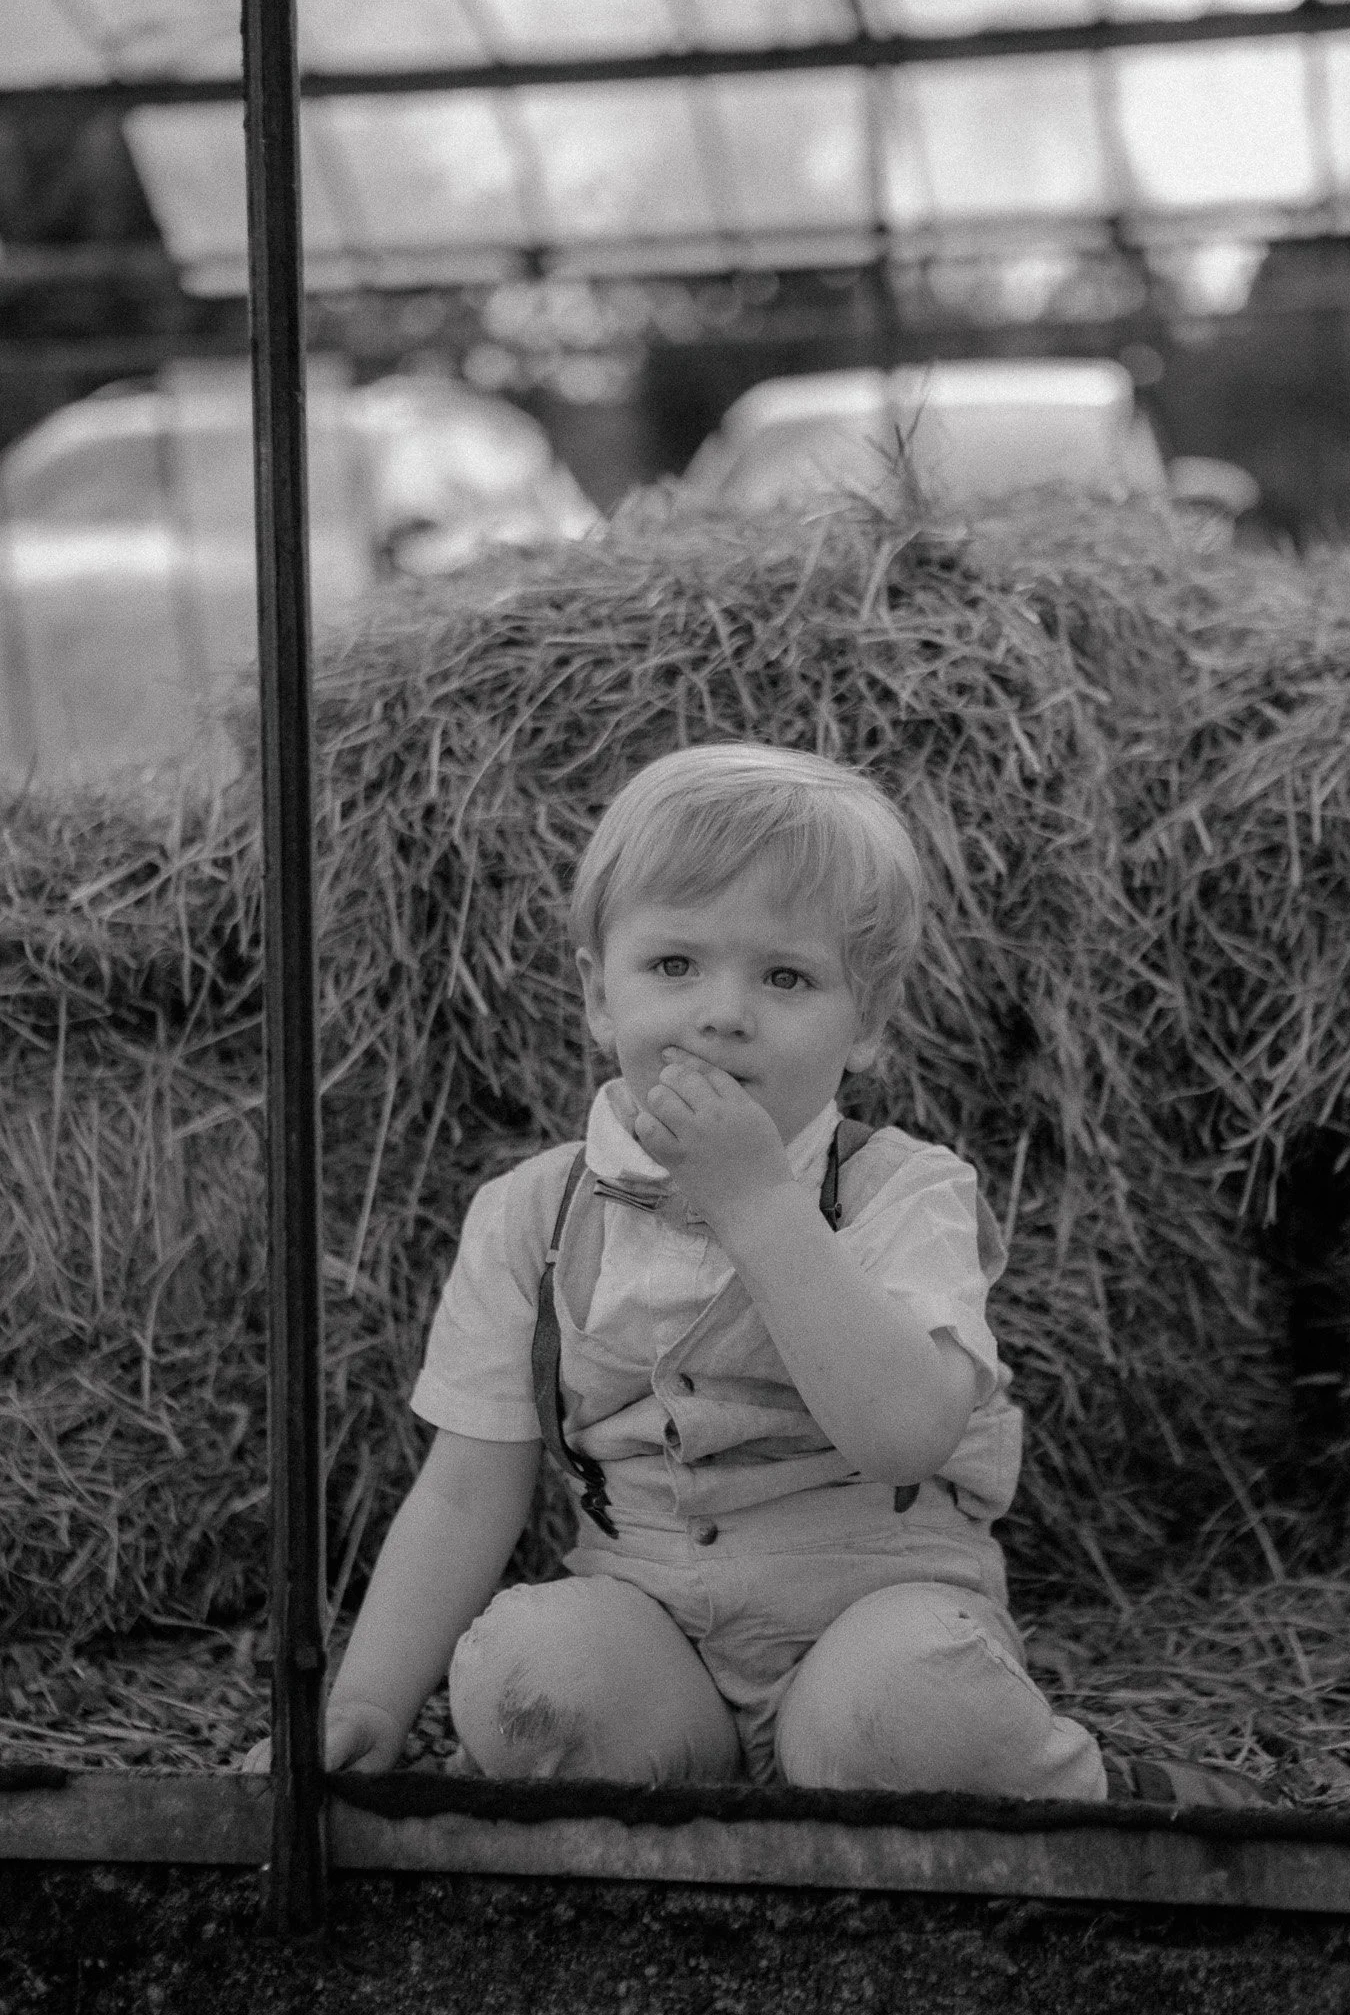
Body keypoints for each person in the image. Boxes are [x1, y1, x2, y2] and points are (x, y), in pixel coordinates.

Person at [244, 742, 1257, 1804]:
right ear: (599, 994)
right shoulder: (531, 1214)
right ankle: (703, 1788)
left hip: (874, 1621)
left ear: (865, 1023)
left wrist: (760, 1203)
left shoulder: (900, 1191)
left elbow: (905, 1432)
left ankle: (1102, 1793)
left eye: (786, 975)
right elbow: (463, 1493)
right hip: (657, 1643)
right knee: (524, 1673)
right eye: (674, 965)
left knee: (910, 1707)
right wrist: (365, 1700)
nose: (724, 1012)